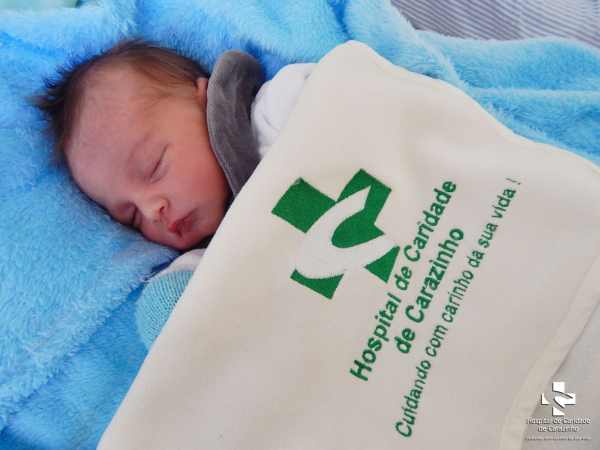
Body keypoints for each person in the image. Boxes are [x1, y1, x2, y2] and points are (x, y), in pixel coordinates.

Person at [32, 38, 315, 349]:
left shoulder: (277, 112)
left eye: (153, 168)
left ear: (205, 102)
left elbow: (348, 90)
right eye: (132, 216)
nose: (151, 211)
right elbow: (174, 323)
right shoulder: (214, 260)